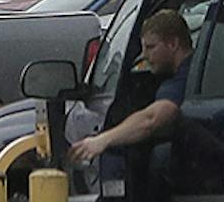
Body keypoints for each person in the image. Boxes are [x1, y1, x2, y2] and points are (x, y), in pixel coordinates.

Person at [70, 9, 193, 164]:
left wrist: (102, 140)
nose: (145, 56)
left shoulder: (186, 77)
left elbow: (152, 119)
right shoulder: (195, 69)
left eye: (151, 47)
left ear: (173, 44)